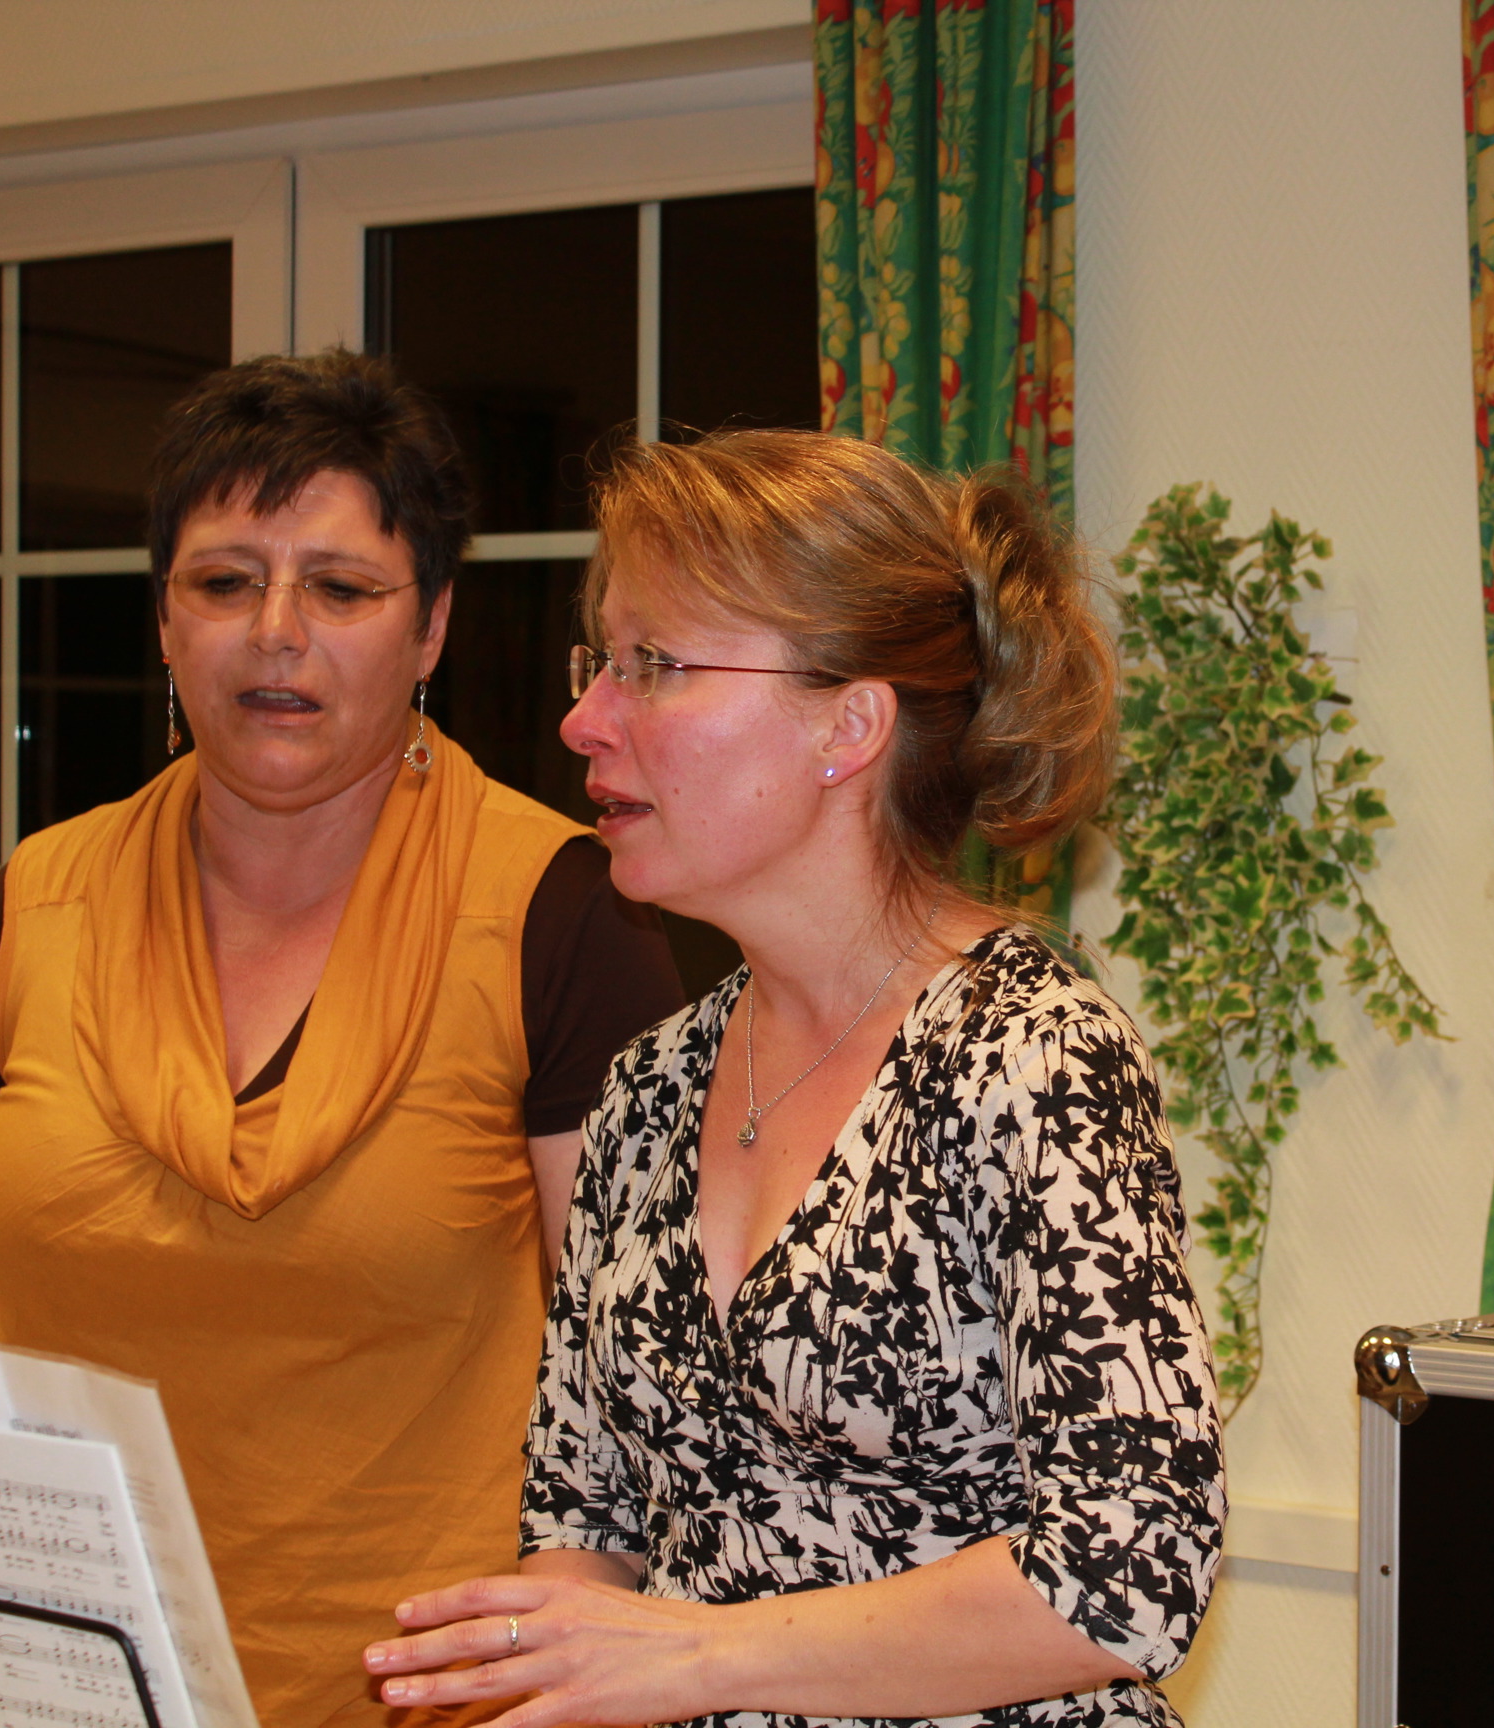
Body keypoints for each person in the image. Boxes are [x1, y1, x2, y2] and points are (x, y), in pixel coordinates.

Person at [0, 351, 687, 1728]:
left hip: (444, 1697)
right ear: (164, 619)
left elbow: (634, 1395)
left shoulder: (562, 917)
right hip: (62, 1680)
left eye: (343, 589)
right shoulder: (35, 905)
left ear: (431, 629)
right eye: (224, 581)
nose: (275, 633)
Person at [358, 430, 1225, 1727]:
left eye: (655, 665)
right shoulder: (650, 1086)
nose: (584, 719)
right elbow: (582, 1519)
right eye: (601, 661)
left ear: (848, 726)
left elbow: (1130, 1564)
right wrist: (539, 1668)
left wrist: (695, 1657)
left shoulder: (1030, 1054)